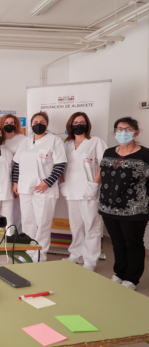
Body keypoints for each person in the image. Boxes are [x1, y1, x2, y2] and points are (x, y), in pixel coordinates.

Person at [96, 117, 149, 290]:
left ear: (136, 132)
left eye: (127, 129)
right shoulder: (109, 152)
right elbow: (102, 176)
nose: (122, 132)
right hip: (108, 207)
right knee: (117, 242)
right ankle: (119, 273)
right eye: (119, 129)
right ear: (115, 132)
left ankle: (132, 279)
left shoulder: (145, 154)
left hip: (134, 209)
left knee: (132, 243)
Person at [12, 111, 67, 262]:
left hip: (44, 189)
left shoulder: (54, 140)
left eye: (42, 122)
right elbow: (17, 163)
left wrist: (48, 182)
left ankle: (39, 255)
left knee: (42, 223)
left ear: (47, 125)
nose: (38, 124)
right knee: (28, 222)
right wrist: (15, 182)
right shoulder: (25, 141)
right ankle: (28, 253)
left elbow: (60, 163)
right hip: (25, 188)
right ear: (30, 125)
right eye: (35, 122)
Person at [60, 112, 107, 271]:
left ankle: (90, 260)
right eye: (75, 122)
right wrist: (62, 182)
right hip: (71, 190)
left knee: (91, 225)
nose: (78, 124)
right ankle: (75, 254)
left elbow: (104, 165)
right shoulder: (66, 144)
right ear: (70, 125)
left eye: (82, 122)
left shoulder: (95, 142)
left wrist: (95, 184)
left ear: (87, 124)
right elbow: (60, 166)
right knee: (76, 225)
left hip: (89, 190)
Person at [0, 114, 26, 233]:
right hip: (1, 177)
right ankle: (3, 234)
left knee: (17, 209)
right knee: (3, 209)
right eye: (6, 123)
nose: (9, 125)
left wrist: (16, 181)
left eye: (11, 122)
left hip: (18, 177)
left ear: (16, 124)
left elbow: (23, 159)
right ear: (2, 124)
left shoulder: (22, 139)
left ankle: (16, 233)